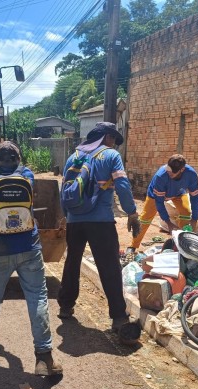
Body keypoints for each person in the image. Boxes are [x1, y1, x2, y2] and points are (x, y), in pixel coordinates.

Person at [0, 140, 62, 377]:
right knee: (37, 298)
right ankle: (44, 358)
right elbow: (20, 167)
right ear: (18, 159)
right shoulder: (27, 175)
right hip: (29, 247)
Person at [57, 122, 141, 339]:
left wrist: (68, 215)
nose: (114, 142)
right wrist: (132, 212)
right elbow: (122, 186)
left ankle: (65, 306)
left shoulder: (73, 156)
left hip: (75, 220)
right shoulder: (111, 155)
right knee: (110, 267)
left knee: (72, 262)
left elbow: (63, 188)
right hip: (101, 221)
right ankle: (119, 317)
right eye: (112, 137)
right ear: (105, 137)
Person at [128, 154, 198, 252]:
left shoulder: (191, 175)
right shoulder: (161, 176)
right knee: (145, 219)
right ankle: (133, 246)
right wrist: (168, 223)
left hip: (178, 193)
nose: (169, 172)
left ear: (182, 170)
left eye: (172, 172)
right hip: (156, 196)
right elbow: (159, 202)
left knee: (186, 213)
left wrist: (194, 219)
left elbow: (195, 197)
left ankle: (180, 243)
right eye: (168, 169)